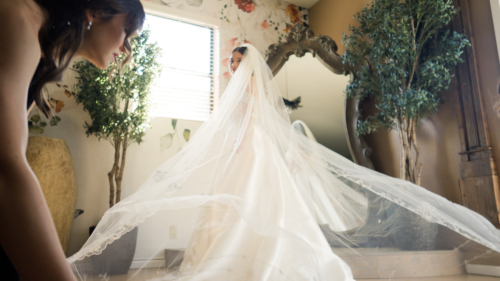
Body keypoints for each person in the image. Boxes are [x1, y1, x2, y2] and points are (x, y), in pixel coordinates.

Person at [68, 44, 500, 280]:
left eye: (237, 63)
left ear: (248, 66)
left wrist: (239, 147)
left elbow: (252, 123)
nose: (233, 69)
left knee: (258, 205)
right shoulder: (238, 88)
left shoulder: (251, 89)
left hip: (252, 150)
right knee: (234, 207)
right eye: (231, 63)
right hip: (246, 151)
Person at [0, 0, 145, 280]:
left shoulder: (41, 48)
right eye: (126, 31)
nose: (127, 48)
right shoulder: (21, 18)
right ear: (94, 11)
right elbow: (7, 165)